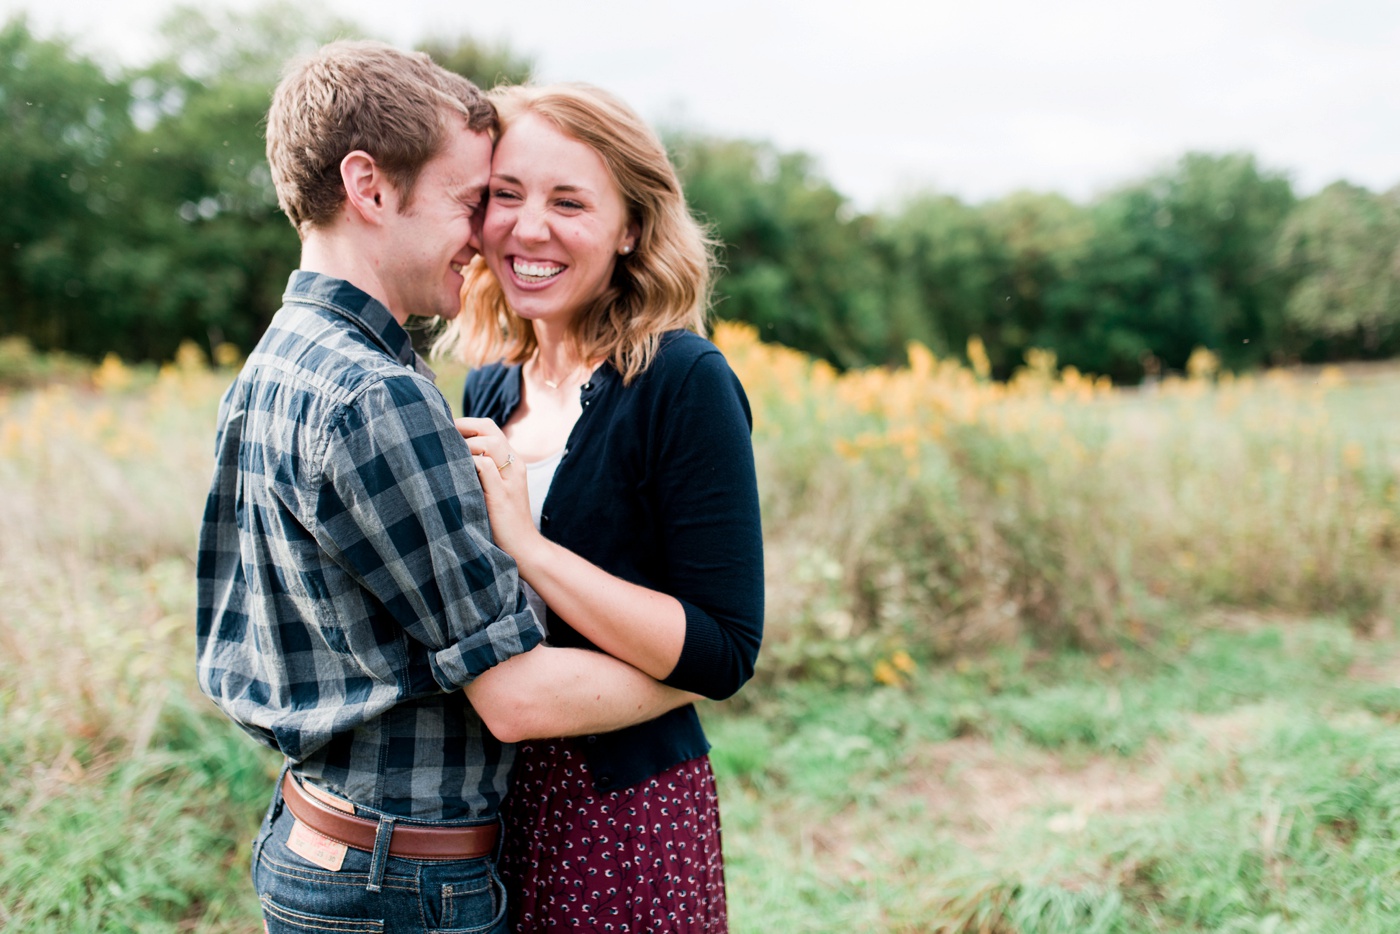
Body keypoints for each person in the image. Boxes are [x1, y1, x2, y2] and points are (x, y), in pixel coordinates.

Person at [195, 43, 698, 934]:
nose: (487, 234)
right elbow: (515, 696)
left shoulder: (283, 358)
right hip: (400, 880)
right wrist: (705, 666)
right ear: (370, 188)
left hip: (320, 836)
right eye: (475, 201)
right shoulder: (375, 394)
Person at [437, 83, 764, 932]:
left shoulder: (683, 382)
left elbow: (724, 645)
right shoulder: (487, 384)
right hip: (488, 810)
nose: (529, 227)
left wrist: (526, 543)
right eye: (506, 195)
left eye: (569, 202)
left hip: (623, 814)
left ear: (630, 229)